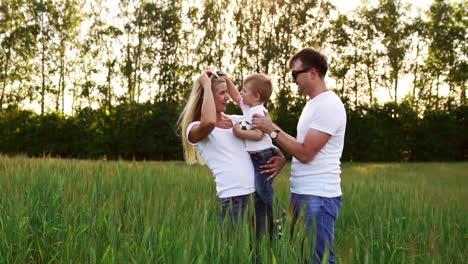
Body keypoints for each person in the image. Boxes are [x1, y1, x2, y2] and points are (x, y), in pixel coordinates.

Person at [252, 48, 346, 264]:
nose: (293, 80)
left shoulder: (329, 105)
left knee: (317, 260)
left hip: (318, 196)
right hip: (303, 193)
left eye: (295, 74)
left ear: (313, 72)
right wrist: (281, 155)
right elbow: (299, 147)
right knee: (304, 257)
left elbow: (305, 153)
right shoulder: (313, 105)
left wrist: (272, 129)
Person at [177, 71, 286, 228]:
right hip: (235, 199)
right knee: (238, 250)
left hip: (258, 196)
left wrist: (280, 159)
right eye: (222, 93)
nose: (227, 97)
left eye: (227, 92)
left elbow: (265, 139)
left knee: (260, 250)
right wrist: (206, 85)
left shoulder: (237, 120)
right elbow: (209, 122)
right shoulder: (194, 129)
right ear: (205, 97)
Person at [222, 73, 282, 238]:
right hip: (256, 157)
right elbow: (236, 97)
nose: (241, 93)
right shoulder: (250, 107)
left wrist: (238, 131)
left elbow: (258, 135)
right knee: (259, 194)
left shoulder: (258, 112)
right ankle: (268, 229)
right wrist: (227, 79)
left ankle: (278, 212)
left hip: (264, 156)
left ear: (256, 96)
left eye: (245, 90)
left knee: (263, 189)